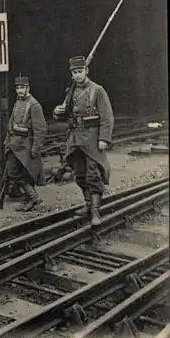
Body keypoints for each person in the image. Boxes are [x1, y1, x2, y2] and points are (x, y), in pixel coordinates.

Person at [53, 56, 114, 226]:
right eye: (74, 72)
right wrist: (57, 112)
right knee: (79, 174)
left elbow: (107, 117)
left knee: (93, 174)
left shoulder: (98, 90)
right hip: (76, 138)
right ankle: (88, 205)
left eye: (80, 71)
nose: (78, 75)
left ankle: (95, 212)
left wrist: (104, 139)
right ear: (71, 74)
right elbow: (64, 116)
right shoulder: (70, 92)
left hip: (93, 139)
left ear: (86, 71)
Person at [4, 75, 47, 211]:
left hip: (26, 146)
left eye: (22, 87)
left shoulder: (34, 105)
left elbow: (40, 129)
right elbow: (11, 123)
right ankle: (31, 198)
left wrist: (35, 148)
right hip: (14, 144)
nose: (20, 90)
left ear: (28, 88)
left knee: (26, 173)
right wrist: (7, 141)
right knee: (13, 172)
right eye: (17, 88)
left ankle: (32, 198)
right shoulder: (18, 102)